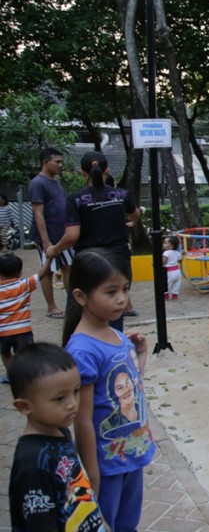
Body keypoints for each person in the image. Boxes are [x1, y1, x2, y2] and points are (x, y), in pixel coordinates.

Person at [63, 248, 154, 532]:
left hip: (132, 453)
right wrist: (92, 474)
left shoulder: (116, 335)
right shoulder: (83, 351)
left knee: (128, 524)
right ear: (81, 297)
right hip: (107, 464)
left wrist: (140, 355)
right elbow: (82, 420)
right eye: (111, 291)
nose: (122, 298)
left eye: (125, 289)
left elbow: (127, 390)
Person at [7, 342, 107, 531]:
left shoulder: (61, 430)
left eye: (76, 391)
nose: (72, 404)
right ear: (24, 406)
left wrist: (100, 521)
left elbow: (81, 490)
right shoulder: (32, 463)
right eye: (60, 398)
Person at [47, 151, 140, 332]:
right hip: (118, 259)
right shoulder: (122, 194)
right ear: (108, 171)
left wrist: (54, 249)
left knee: (78, 310)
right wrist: (132, 221)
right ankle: (113, 346)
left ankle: (76, 345)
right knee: (114, 309)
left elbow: (72, 236)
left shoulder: (75, 200)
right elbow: (135, 213)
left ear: (83, 174)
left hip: (88, 262)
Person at [28, 148, 73, 318]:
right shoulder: (37, 183)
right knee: (48, 269)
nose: (60, 165)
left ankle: (72, 304)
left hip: (61, 232)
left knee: (68, 266)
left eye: (61, 162)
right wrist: (45, 240)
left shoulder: (55, 182)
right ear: (46, 162)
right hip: (48, 234)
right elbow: (38, 213)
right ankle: (52, 307)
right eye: (57, 162)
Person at [0, 252, 53, 384]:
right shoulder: (24, 285)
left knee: (5, 353)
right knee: (26, 355)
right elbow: (41, 274)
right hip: (22, 331)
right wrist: (49, 259)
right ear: (20, 273)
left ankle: (11, 375)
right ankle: (28, 376)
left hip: (2, 332)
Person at [162, 236, 183, 300]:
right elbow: (180, 261)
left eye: (165, 243)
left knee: (167, 284)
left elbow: (164, 262)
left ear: (171, 246)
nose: (163, 244)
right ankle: (175, 295)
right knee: (177, 283)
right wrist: (182, 254)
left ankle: (166, 295)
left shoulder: (166, 253)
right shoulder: (177, 253)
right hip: (177, 271)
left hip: (169, 272)